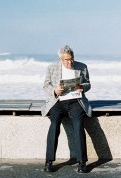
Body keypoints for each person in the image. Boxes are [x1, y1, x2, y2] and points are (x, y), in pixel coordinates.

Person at [41, 45, 92, 173]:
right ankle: (49, 161)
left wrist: (82, 87)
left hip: (76, 101)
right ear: (61, 59)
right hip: (57, 102)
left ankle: (82, 162)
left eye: (71, 59)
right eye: (67, 60)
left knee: (78, 124)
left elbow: (88, 84)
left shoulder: (82, 67)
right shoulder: (52, 68)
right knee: (54, 124)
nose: (70, 62)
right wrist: (55, 90)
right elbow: (46, 85)